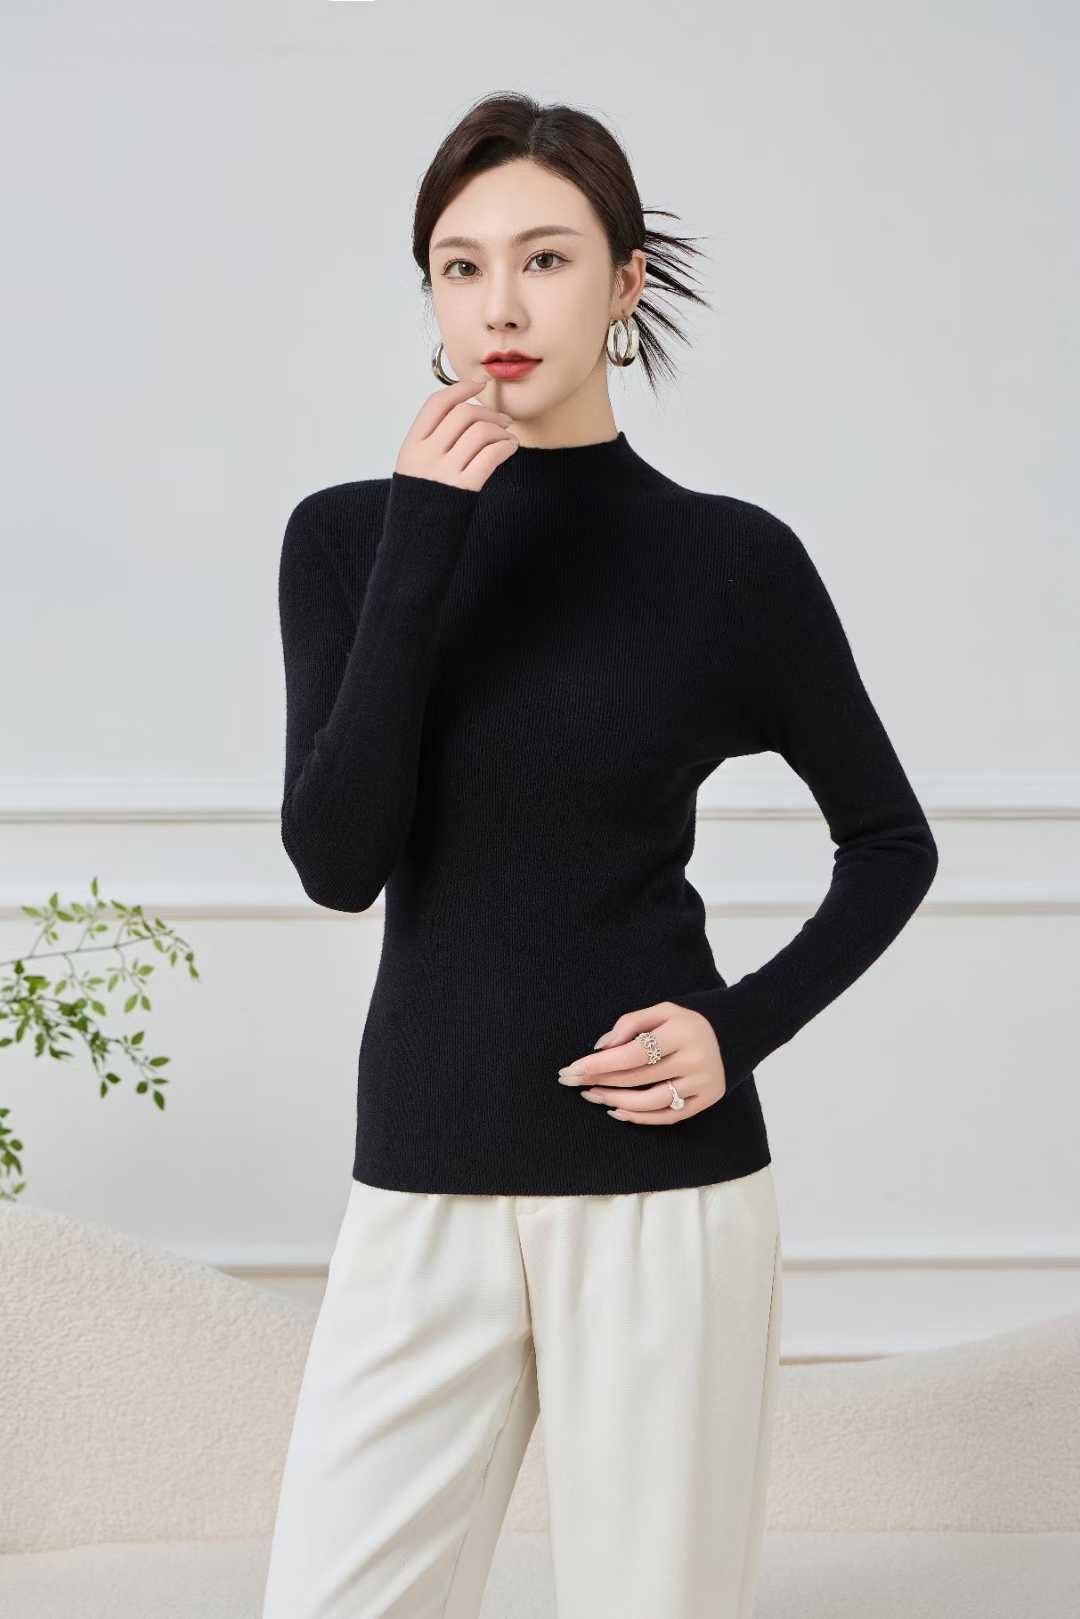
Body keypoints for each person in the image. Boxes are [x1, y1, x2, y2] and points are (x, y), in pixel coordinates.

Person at [261, 91, 938, 1619]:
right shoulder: (349, 540)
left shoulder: (732, 561)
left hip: (661, 1192)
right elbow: (337, 860)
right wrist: (425, 539)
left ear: (625, 282)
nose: (500, 306)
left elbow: (890, 841)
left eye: (547, 259)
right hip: (424, 1175)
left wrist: (737, 1029)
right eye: (460, 266)